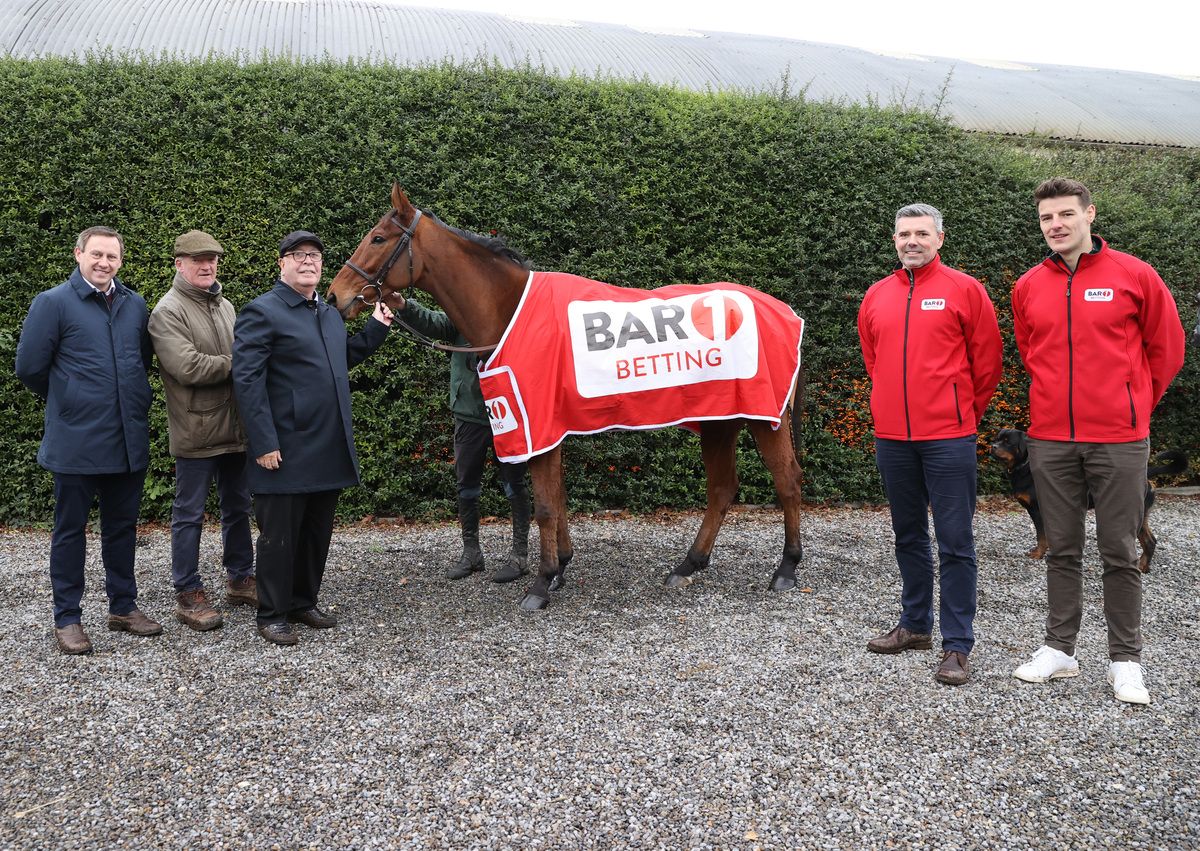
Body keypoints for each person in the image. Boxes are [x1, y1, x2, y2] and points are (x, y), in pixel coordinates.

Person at [1010, 177, 1185, 704]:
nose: (1056, 225)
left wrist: (1131, 407)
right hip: (1050, 439)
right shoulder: (1027, 286)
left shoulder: (1135, 275)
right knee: (1061, 547)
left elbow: (1167, 349)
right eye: (1046, 218)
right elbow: (1030, 352)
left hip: (1119, 439)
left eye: (1065, 214)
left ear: (1090, 214)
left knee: (1118, 549)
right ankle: (1060, 649)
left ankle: (1125, 661)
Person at [858, 203, 1002, 685]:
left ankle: (958, 645)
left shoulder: (965, 289)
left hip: (949, 437)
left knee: (956, 542)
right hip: (894, 438)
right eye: (904, 234)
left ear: (940, 239)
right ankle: (915, 626)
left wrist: (962, 413)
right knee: (908, 536)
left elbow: (987, 364)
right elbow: (873, 360)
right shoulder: (877, 295)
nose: (912, 241)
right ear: (894, 239)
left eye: (922, 233)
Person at [232, 230, 393, 646]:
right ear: (281, 263)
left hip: (327, 444)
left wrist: (377, 325)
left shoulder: (326, 312)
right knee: (279, 536)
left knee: (316, 532)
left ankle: (303, 601)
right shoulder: (261, 312)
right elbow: (247, 381)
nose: (308, 261)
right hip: (283, 448)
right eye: (298, 255)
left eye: (316, 256)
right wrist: (264, 442)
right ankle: (272, 613)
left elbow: (344, 358)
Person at [15, 226, 161, 654]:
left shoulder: (135, 305)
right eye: (96, 254)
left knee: (122, 528)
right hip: (76, 440)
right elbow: (29, 368)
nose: (104, 263)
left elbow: (142, 359)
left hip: (126, 437)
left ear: (120, 261)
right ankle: (68, 617)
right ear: (78, 254)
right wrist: (71, 398)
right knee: (69, 531)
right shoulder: (53, 303)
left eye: (112, 257)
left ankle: (123, 607)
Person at [148, 230, 257, 633]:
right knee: (189, 513)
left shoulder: (225, 304)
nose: (207, 265)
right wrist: (240, 362)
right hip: (196, 427)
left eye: (212, 258)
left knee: (237, 506)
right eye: (198, 259)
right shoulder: (167, 311)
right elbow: (188, 367)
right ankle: (188, 591)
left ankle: (240, 579)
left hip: (235, 427)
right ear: (179, 264)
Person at [393, 296, 531, 583]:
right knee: (466, 485)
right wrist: (404, 305)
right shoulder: (463, 309)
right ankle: (472, 554)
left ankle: (520, 555)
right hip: (468, 413)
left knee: (514, 484)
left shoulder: (511, 310)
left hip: (506, 413)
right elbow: (435, 323)